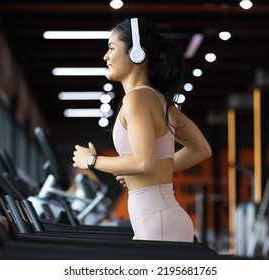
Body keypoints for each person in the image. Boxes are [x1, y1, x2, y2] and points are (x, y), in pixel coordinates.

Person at [72, 18, 211, 243]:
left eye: (111, 48)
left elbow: (142, 163)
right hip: (162, 218)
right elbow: (201, 149)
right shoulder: (160, 101)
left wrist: (92, 161)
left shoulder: (136, 99)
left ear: (136, 53)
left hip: (159, 222)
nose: (105, 56)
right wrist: (154, 171)